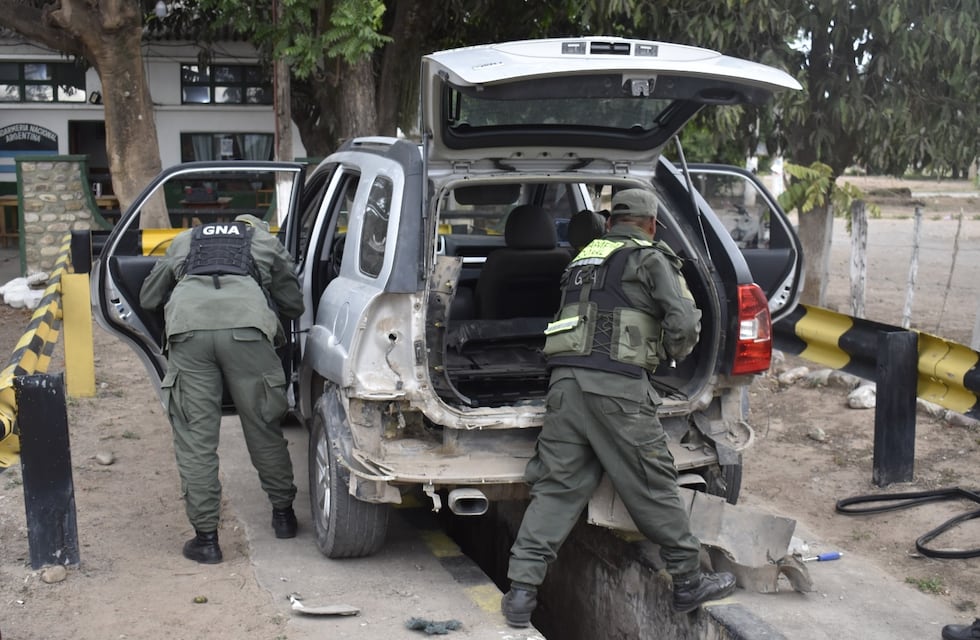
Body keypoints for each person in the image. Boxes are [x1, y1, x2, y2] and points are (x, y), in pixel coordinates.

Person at [501, 188, 736, 628]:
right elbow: (684, 322)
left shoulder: (583, 259)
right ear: (650, 224)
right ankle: (687, 579)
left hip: (565, 386)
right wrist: (671, 353)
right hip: (618, 391)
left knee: (556, 489)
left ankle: (520, 593)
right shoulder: (650, 257)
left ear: (612, 222)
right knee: (651, 482)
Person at [140, 213, 305, 564]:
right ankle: (283, 517)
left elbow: (149, 298)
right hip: (248, 330)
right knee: (264, 427)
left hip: (188, 331)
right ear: (255, 230)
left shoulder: (186, 239)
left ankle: (206, 540)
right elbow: (293, 304)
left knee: (196, 439)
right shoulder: (265, 242)